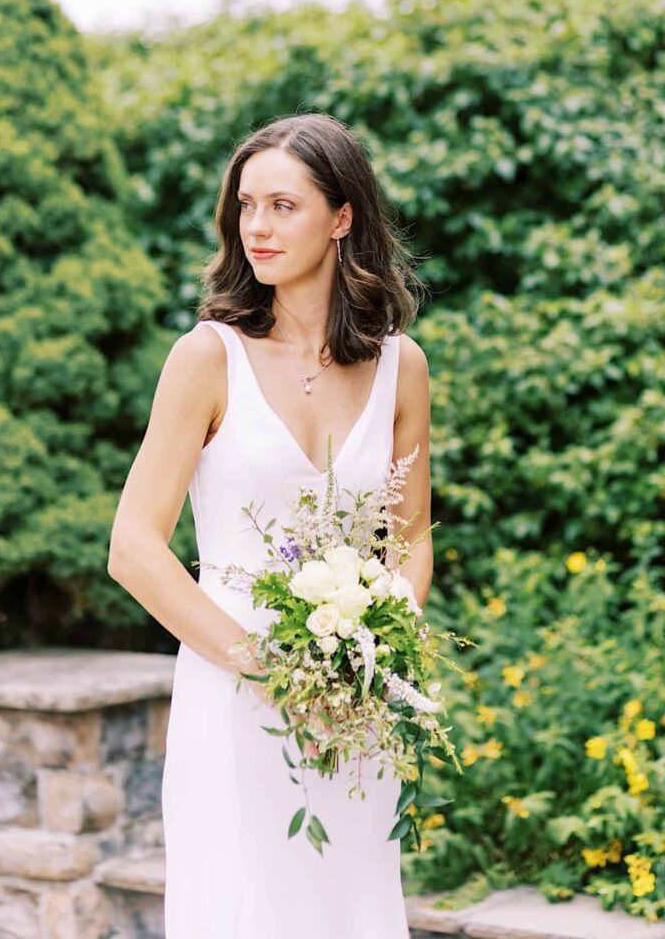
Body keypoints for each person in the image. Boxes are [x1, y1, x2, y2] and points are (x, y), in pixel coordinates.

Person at [108, 113, 431, 937]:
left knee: (348, 907)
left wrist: (376, 653)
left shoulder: (402, 365)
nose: (256, 226)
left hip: (352, 704)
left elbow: (411, 538)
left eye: (282, 205)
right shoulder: (205, 357)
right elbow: (134, 549)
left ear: (342, 215)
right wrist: (273, 672)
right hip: (234, 689)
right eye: (246, 205)